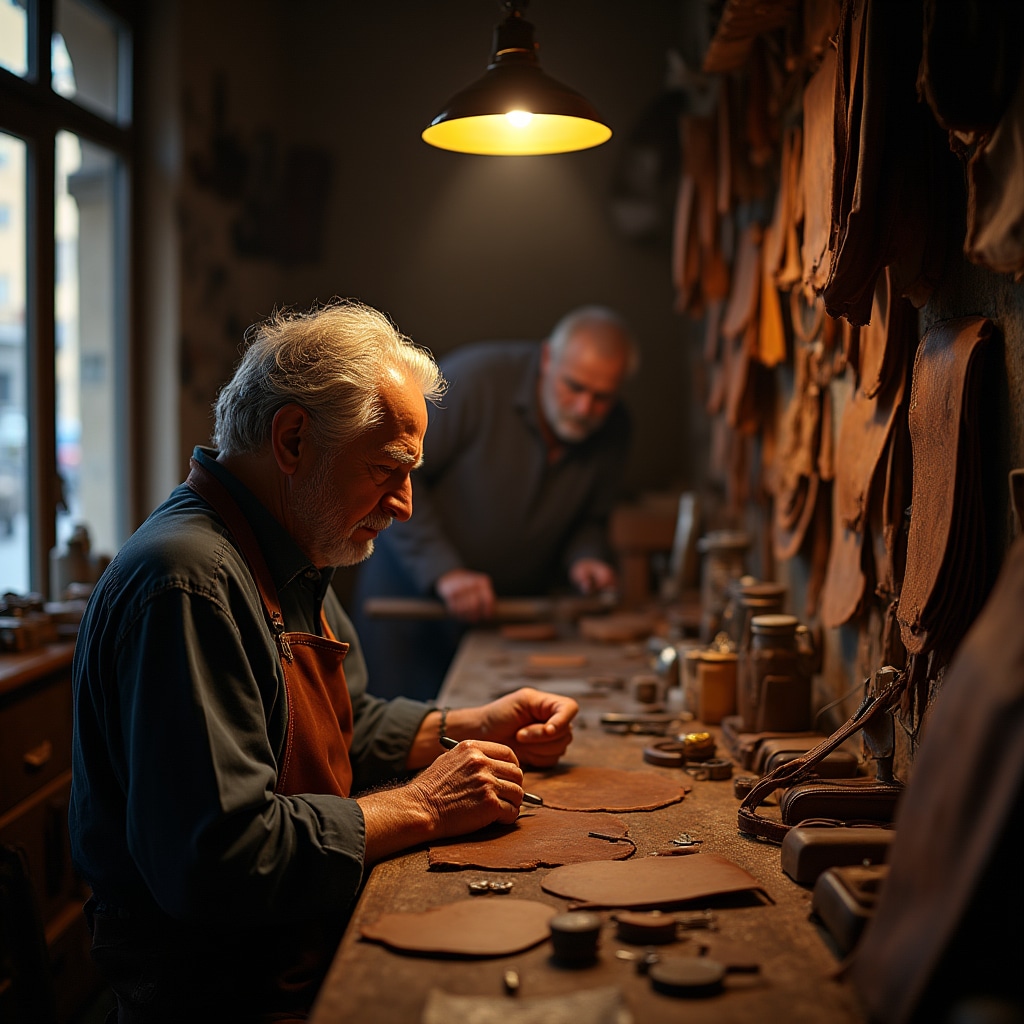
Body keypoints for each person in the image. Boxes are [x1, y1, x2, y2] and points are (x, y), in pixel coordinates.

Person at [68, 299, 579, 1023]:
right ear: (294, 438)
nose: (402, 504)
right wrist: (424, 804)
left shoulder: (286, 547)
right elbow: (220, 862)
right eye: (385, 469)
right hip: (220, 991)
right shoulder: (187, 582)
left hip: (291, 941)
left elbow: (337, 723)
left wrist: (465, 726)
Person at [352, 305, 639, 701]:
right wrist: (445, 570)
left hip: (505, 620)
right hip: (410, 607)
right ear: (547, 359)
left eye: (602, 398)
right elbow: (395, 475)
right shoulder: (473, 382)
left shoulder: (616, 429)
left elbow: (590, 518)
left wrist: (586, 558)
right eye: (574, 387)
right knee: (398, 739)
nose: (584, 409)